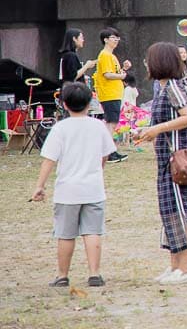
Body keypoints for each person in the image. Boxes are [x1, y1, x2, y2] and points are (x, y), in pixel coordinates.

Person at [30, 81, 116, 288]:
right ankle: (94, 274)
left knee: (65, 234)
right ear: (90, 103)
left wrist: (39, 185)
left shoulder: (60, 128)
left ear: (65, 105)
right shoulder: (98, 126)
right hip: (93, 188)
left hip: (67, 191)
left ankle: (62, 275)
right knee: (93, 231)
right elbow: (105, 155)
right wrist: (97, 170)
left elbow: (49, 159)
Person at [134, 43, 187, 284]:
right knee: (170, 213)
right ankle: (174, 266)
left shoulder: (173, 87)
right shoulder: (162, 87)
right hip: (167, 160)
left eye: (149, 59)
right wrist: (148, 132)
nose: (146, 63)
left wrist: (157, 128)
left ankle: (185, 270)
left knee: (181, 212)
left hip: (179, 161)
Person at [93, 28, 131, 163]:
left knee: (111, 122)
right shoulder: (104, 55)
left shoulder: (112, 56)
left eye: (117, 38)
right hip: (109, 94)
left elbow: (114, 72)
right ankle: (109, 153)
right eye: (113, 37)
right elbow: (107, 75)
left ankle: (109, 151)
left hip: (113, 93)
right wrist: (122, 75)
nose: (116, 40)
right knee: (111, 123)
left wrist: (124, 69)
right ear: (105, 40)